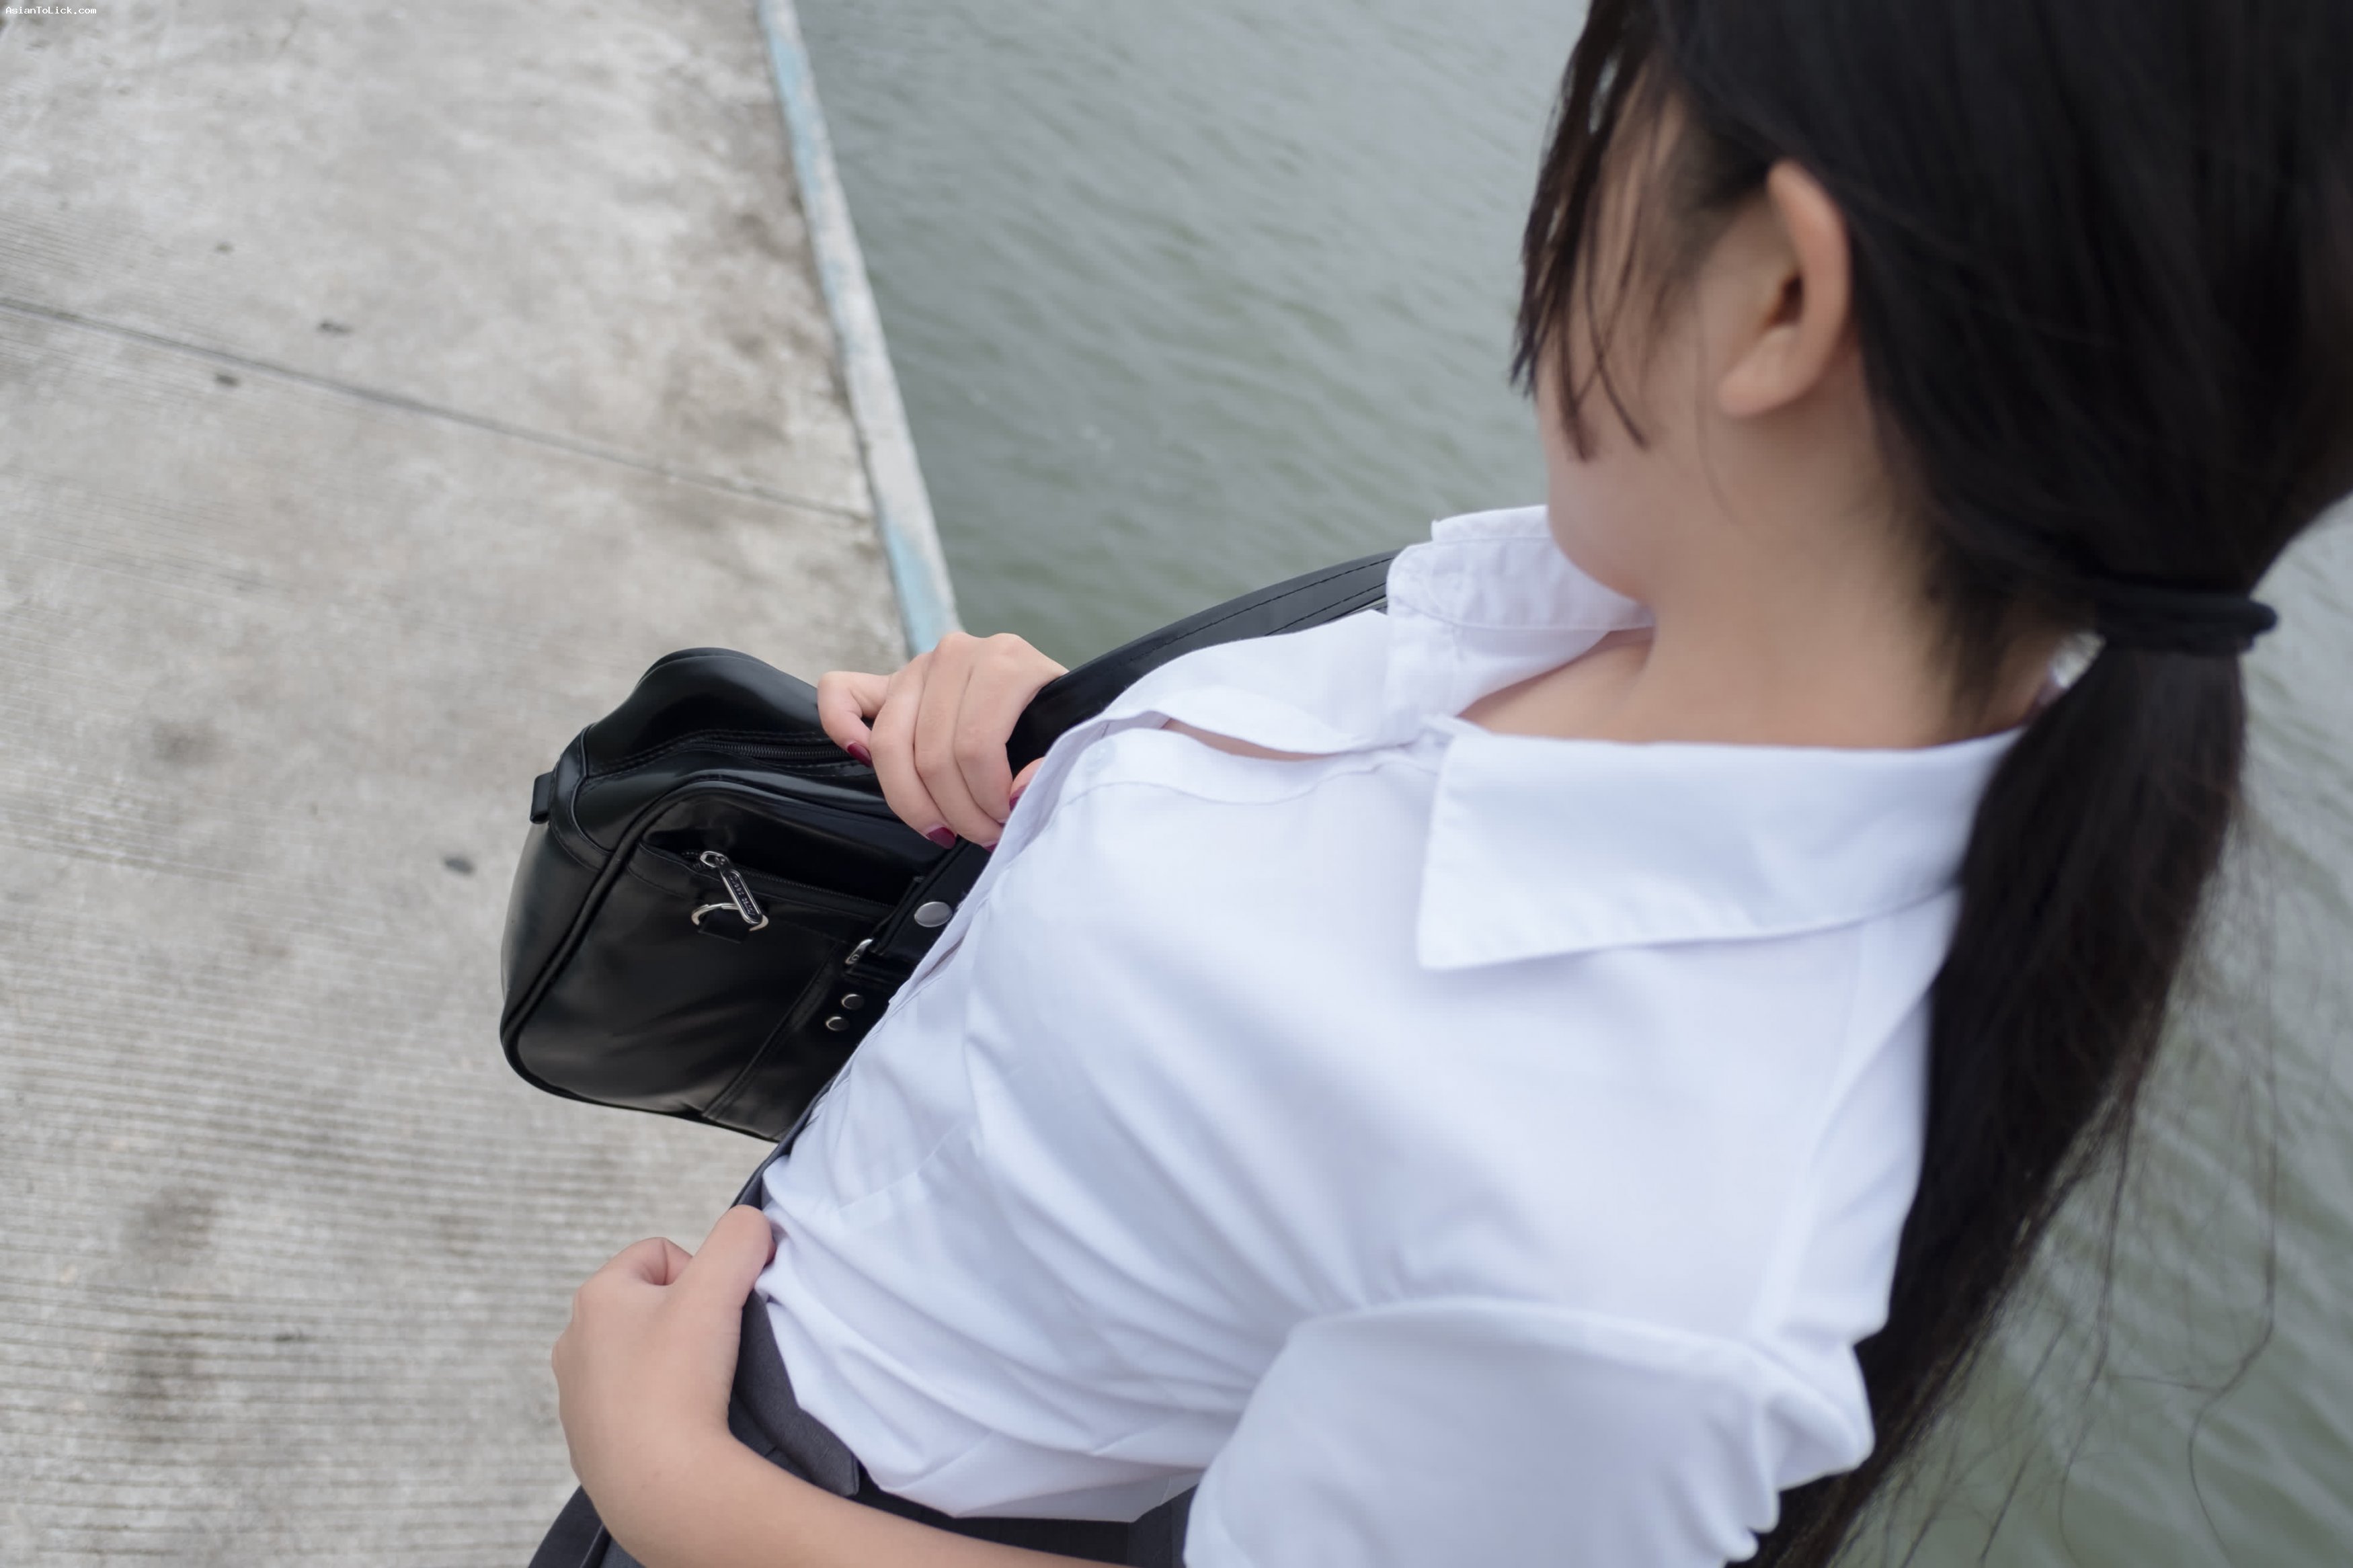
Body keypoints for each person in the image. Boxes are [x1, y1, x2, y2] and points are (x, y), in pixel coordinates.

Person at [541, 0, 2353, 1563]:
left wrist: (674, 1490)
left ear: (1783, 295)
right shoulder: (1579, 616)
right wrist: (1069, 736)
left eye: (1618, 108)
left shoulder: (1665, 1260)